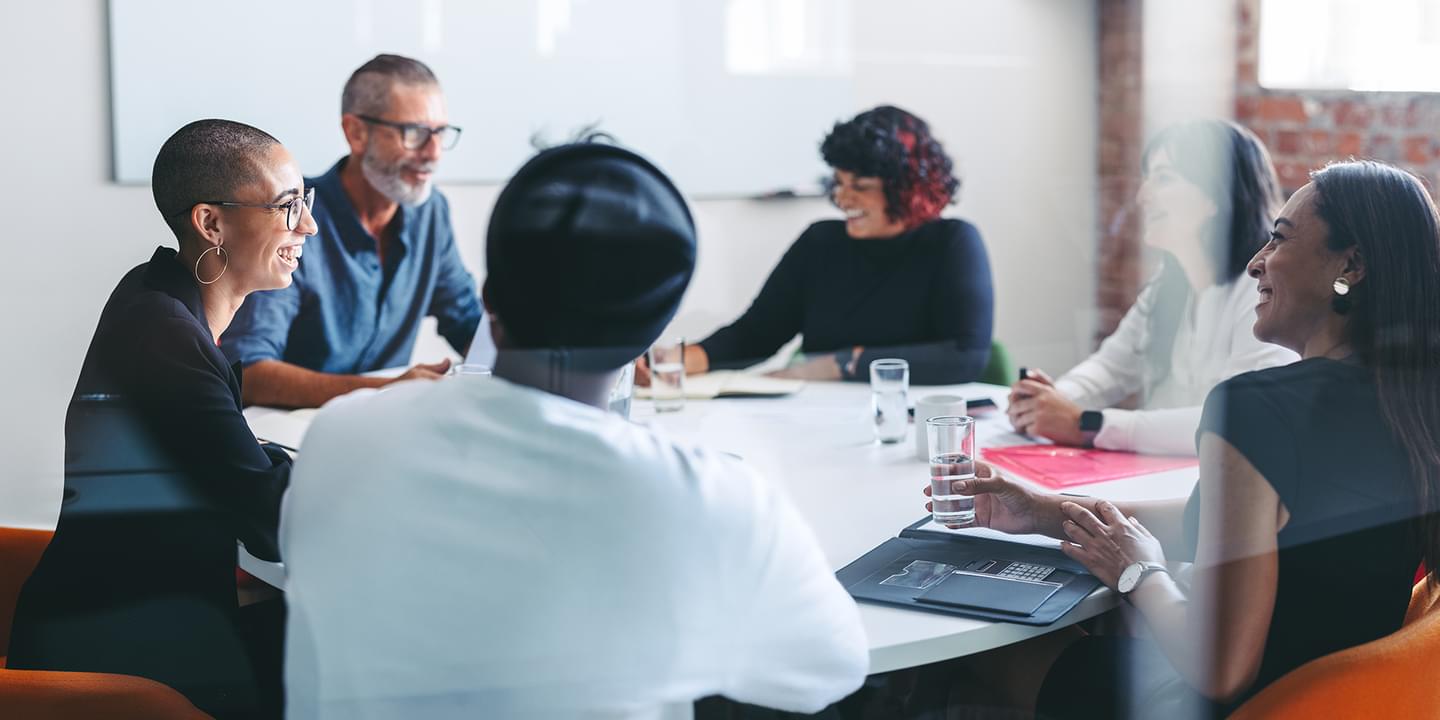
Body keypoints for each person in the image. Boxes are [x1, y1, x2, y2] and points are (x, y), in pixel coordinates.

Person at [281, 142, 869, 718]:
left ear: (488, 298)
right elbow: (832, 670)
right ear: (656, 329)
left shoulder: (338, 439)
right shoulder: (713, 503)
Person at [927, 160, 1439, 718]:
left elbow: (1220, 669)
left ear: (1352, 264)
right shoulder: (1413, 405)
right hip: (1346, 700)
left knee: (973, 650)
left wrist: (1137, 569)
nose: (1255, 264)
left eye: (1279, 239)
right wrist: (1041, 512)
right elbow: (1234, 529)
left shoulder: (1256, 408)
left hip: (1238, 704)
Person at [1008, 121, 1296, 456]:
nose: (1142, 196)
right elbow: (1111, 367)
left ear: (1217, 194)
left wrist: (1087, 423)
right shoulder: (1167, 284)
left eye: (1164, 178)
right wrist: (1049, 400)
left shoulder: (1262, 292)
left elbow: (1240, 420)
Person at [649, 105, 992, 385]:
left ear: (909, 189)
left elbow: (965, 357)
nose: (842, 198)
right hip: (818, 421)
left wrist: (840, 364)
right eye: (838, 182)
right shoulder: (820, 243)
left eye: (860, 185)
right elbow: (755, 334)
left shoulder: (952, 243)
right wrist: (674, 362)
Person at [221, 54, 484, 408]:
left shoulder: (431, 212)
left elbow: (468, 323)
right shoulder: (292, 217)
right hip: (292, 438)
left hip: (387, 427)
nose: (433, 152)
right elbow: (249, 371)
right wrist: (384, 391)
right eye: (415, 133)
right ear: (356, 133)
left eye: (440, 133)